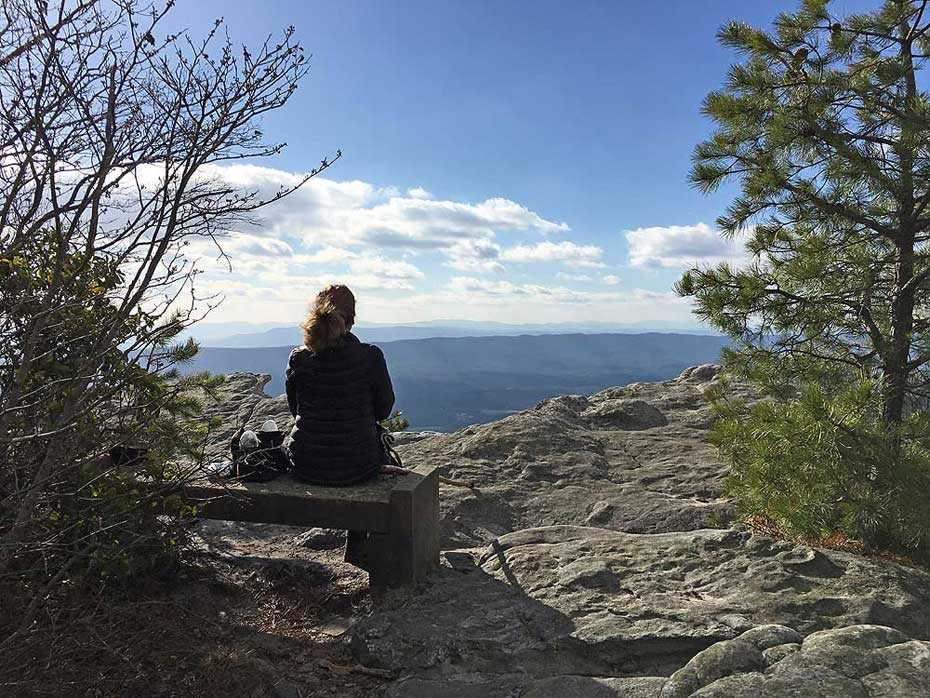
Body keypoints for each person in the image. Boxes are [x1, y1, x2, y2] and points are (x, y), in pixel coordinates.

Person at [285, 284, 397, 485]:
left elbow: (296, 410)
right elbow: (383, 411)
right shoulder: (370, 356)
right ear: (352, 319)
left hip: (306, 465)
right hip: (360, 466)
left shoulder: (298, 358)